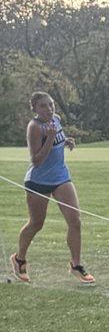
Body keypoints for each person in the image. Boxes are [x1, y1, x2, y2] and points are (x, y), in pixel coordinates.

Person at [11, 91, 96, 285]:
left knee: (75, 221)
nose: (49, 109)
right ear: (34, 109)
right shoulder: (35, 127)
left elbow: (55, 142)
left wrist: (64, 141)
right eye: (43, 106)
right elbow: (37, 160)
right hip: (39, 180)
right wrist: (50, 138)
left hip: (61, 177)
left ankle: (76, 265)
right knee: (36, 223)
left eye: (51, 105)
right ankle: (19, 259)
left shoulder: (56, 119)